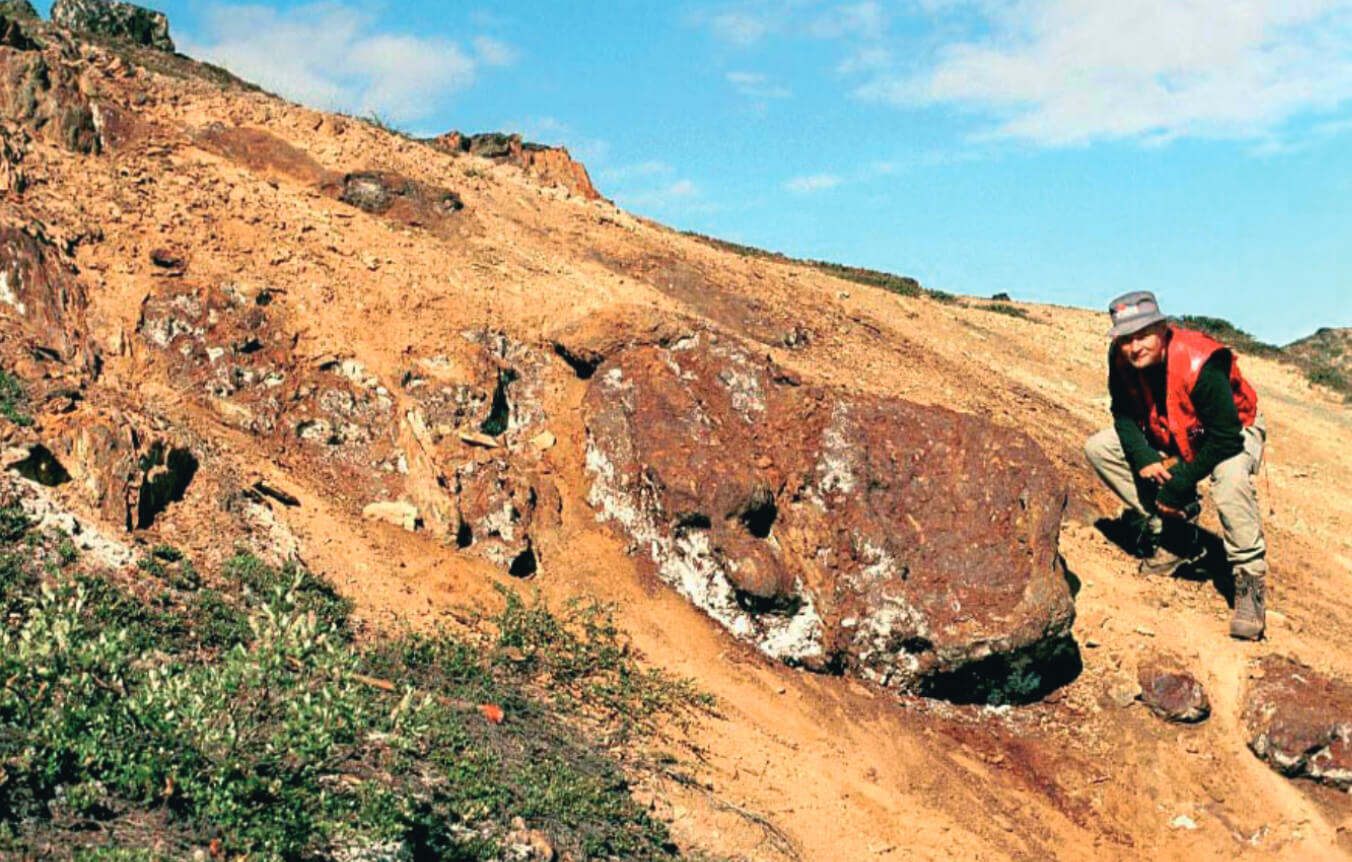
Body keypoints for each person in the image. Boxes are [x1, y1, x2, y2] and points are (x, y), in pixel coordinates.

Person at [1083, 291, 1268, 640]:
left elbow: (1225, 438)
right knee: (1100, 448)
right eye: (1125, 339)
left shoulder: (1201, 361)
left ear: (1162, 328)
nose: (1133, 347)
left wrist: (1177, 484)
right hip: (1171, 428)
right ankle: (1175, 534)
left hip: (1227, 431)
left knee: (1229, 482)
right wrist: (1144, 457)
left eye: (1141, 336)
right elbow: (1122, 414)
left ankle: (1249, 580)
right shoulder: (1121, 359)